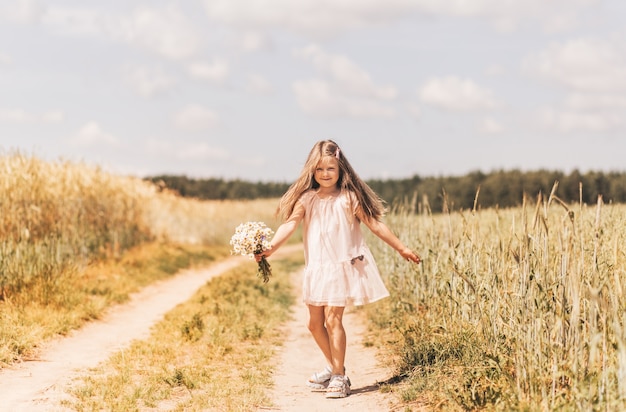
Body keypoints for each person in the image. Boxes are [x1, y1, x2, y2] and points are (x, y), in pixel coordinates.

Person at [255, 139, 421, 399]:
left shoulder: (349, 198)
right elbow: (290, 224)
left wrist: (401, 248)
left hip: (340, 268)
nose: (325, 174)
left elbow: (375, 225)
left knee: (333, 320)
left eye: (330, 169)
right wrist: (271, 248)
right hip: (316, 268)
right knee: (313, 324)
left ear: (341, 168)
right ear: (312, 171)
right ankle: (336, 367)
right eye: (319, 170)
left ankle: (339, 378)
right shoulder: (307, 198)